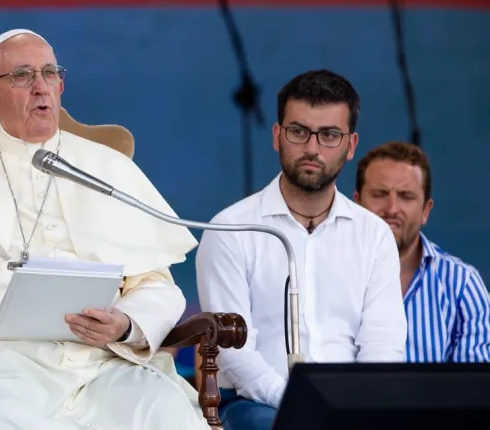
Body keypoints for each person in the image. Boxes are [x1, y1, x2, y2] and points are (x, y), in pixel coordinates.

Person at [0, 29, 207, 430]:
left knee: (165, 413)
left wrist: (127, 323)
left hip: (102, 363)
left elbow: (156, 283)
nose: (40, 87)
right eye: (21, 76)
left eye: (49, 73)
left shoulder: (106, 166)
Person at [195, 69, 407, 430]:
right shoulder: (230, 229)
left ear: (351, 145)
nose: (312, 148)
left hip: (352, 408)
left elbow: (383, 347)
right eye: (299, 132)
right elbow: (234, 355)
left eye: (329, 135)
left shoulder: (373, 235)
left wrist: (357, 406)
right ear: (278, 136)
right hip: (257, 404)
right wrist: (303, 404)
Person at [354, 141, 490, 362]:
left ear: (425, 211)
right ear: (356, 204)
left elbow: (471, 392)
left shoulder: (462, 287)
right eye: (379, 194)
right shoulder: (326, 275)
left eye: (406, 196)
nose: (392, 208)